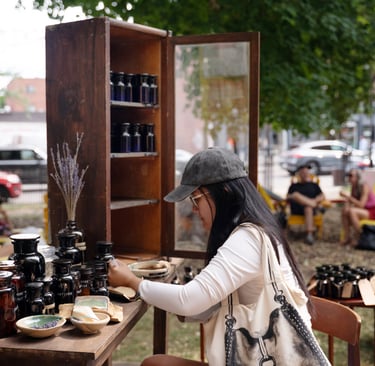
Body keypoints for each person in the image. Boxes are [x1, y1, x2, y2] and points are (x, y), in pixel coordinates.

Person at [108, 147, 315, 366]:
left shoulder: (248, 239)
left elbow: (188, 300)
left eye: (196, 199)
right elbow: (207, 302)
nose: (194, 210)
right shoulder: (257, 230)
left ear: (224, 192)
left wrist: (132, 282)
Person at [286, 164, 326, 245]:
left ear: (309, 173)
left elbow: (322, 196)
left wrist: (315, 200)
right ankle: (317, 206)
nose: (305, 174)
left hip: (309, 210)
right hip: (297, 208)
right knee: (296, 195)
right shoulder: (294, 185)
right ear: (299, 174)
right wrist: (294, 196)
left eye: (306, 172)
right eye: (303, 172)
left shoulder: (314, 185)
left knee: (308, 208)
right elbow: (287, 197)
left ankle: (309, 235)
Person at [339, 168, 375, 246]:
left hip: (372, 210)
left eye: (351, 175)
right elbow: (350, 203)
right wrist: (346, 207)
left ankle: (358, 237)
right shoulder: (354, 187)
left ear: (357, 177)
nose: (349, 177)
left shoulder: (364, 186)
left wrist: (348, 197)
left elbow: (361, 205)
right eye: (348, 175)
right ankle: (347, 236)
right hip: (363, 210)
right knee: (345, 211)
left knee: (352, 211)